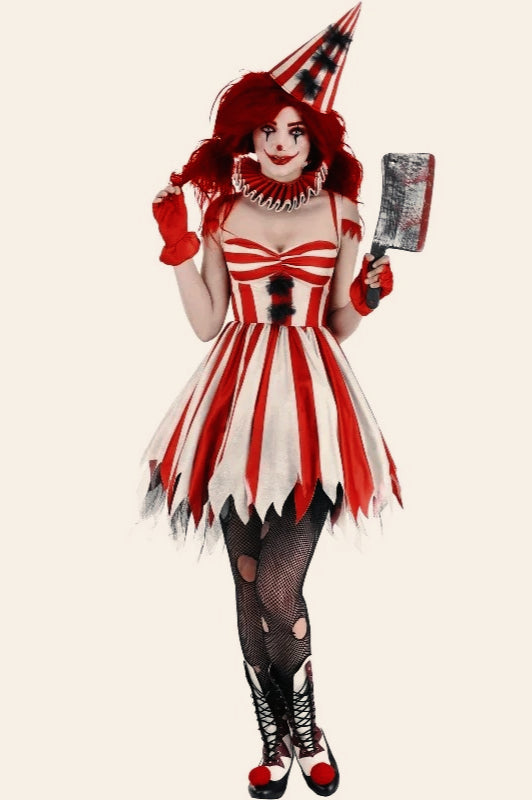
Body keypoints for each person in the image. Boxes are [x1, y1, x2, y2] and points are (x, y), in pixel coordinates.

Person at [142, 5, 401, 797]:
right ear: (247, 137)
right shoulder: (222, 210)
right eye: (267, 130)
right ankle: (276, 737)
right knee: (247, 584)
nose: (282, 143)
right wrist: (179, 247)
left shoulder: (344, 212)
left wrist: (368, 294)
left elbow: (340, 324)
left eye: (295, 130)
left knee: (279, 590)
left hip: (313, 410)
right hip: (233, 402)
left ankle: (309, 730)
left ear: (316, 137)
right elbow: (206, 322)